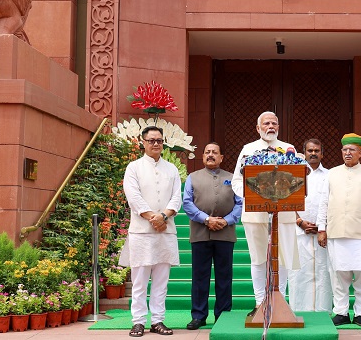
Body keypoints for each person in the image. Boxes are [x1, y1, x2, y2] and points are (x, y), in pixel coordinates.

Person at [231, 111, 301, 314]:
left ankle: (281, 302)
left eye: (274, 123)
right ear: (258, 128)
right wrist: (252, 194)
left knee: (284, 257)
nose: (271, 126)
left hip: (285, 214)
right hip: (255, 214)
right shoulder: (248, 149)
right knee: (259, 258)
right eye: (266, 123)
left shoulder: (288, 149)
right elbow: (237, 181)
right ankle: (260, 302)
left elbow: (297, 179)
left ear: (278, 127)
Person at [317, 133, 361, 328]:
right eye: (345, 150)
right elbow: (324, 203)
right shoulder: (332, 173)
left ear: (360, 153)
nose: (347, 153)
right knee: (338, 275)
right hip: (336, 232)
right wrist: (322, 228)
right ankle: (341, 312)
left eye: (352, 150)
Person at [121, 125, 182, 337]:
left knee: (161, 281)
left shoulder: (172, 169)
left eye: (159, 140)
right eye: (151, 140)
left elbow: (177, 197)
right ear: (143, 143)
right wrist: (153, 218)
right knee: (139, 281)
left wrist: (164, 216)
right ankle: (138, 321)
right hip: (141, 232)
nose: (156, 144)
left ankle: (157, 321)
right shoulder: (134, 168)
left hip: (165, 231)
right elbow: (133, 197)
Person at [182, 142, 242, 330]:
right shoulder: (192, 177)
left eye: (215, 152)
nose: (210, 155)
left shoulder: (233, 179)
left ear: (221, 157)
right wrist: (207, 219)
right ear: (202, 156)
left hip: (225, 233)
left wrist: (227, 220)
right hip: (200, 233)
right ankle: (199, 316)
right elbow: (187, 203)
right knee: (200, 276)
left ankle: (223, 315)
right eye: (207, 152)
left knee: (224, 276)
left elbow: (240, 203)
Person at [289, 138, 333, 312]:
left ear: (322, 153)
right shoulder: (293, 174)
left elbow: (333, 202)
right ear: (304, 152)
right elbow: (286, 201)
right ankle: (298, 310)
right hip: (299, 230)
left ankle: (323, 310)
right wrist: (299, 222)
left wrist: (323, 226)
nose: (313, 153)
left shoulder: (330, 175)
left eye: (316, 150)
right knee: (299, 272)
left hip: (323, 231)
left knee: (324, 272)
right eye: (310, 150)